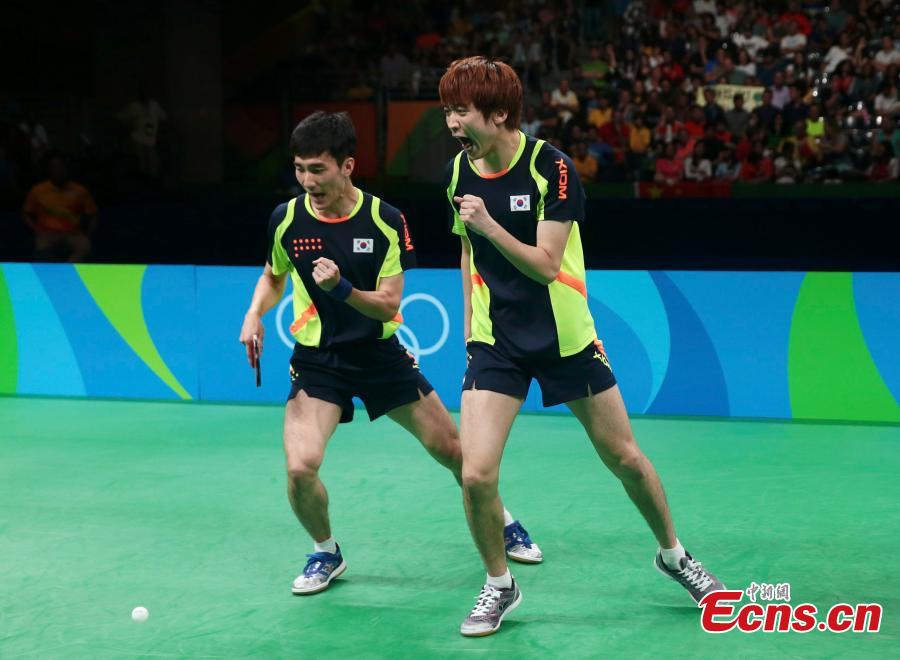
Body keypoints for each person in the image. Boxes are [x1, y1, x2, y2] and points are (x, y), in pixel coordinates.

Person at [439, 56, 725, 638]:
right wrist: (472, 323)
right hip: (497, 341)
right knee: (475, 474)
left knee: (624, 458)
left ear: (498, 114)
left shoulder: (553, 168)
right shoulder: (457, 174)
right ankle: (499, 585)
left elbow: (546, 265)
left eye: (460, 110)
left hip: (566, 337)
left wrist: (490, 224)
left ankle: (674, 555)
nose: (451, 121)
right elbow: (466, 248)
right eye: (447, 109)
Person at [238, 111, 542, 597]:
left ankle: (502, 520)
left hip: (380, 357)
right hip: (318, 362)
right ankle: (325, 550)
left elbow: (387, 307)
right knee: (299, 468)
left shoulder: (385, 220)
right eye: (299, 169)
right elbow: (273, 276)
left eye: (318, 169)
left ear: (347, 166)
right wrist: (254, 313)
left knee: (456, 453)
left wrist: (340, 289)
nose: (307, 181)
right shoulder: (287, 219)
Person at [22, 152, 97, 262]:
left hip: (73, 233)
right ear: (49, 170)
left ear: (67, 169)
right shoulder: (38, 190)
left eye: (61, 167)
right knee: (41, 248)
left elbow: (93, 214)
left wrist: (87, 234)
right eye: (54, 167)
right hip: (47, 233)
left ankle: (67, 270)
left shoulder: (80, 190)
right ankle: (56, 271)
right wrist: (36, 230)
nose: (58, 170)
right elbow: (26, 213)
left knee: (84, 247)